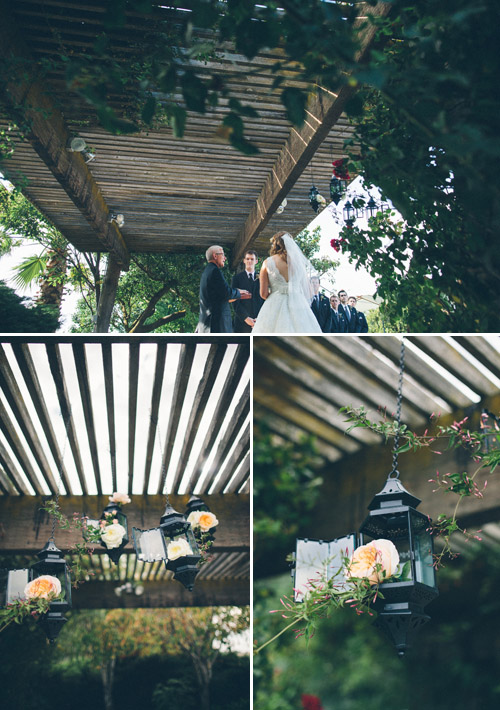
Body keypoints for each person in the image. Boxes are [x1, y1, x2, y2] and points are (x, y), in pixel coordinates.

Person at [252, 231, 322, 334]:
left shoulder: (267, 262)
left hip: (274, 303)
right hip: (298, 303)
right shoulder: (299, 263)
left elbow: (263, 293)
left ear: (275, 244)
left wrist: (277, 295)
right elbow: (309, 291)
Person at [197, 245, 251, 333]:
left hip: (208, 323)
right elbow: (226, 293)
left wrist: (236, 294)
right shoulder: (215, 271)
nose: (225, 258)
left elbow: (219, 296)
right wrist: (239, 292)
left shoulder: (207, 271)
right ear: (215, 256)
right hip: (217, 325)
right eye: (222, 254)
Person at [231, 250, 264, 332]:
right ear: (244, 260)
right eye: (247, 259)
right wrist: (246, 318)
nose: (249, 261)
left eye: (252, 259)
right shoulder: (236, 278)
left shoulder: (262, 278)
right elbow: (234, 301)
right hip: (241, 321)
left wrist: (259, 318)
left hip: (258, 321)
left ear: (256, 261)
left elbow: (263, 299)